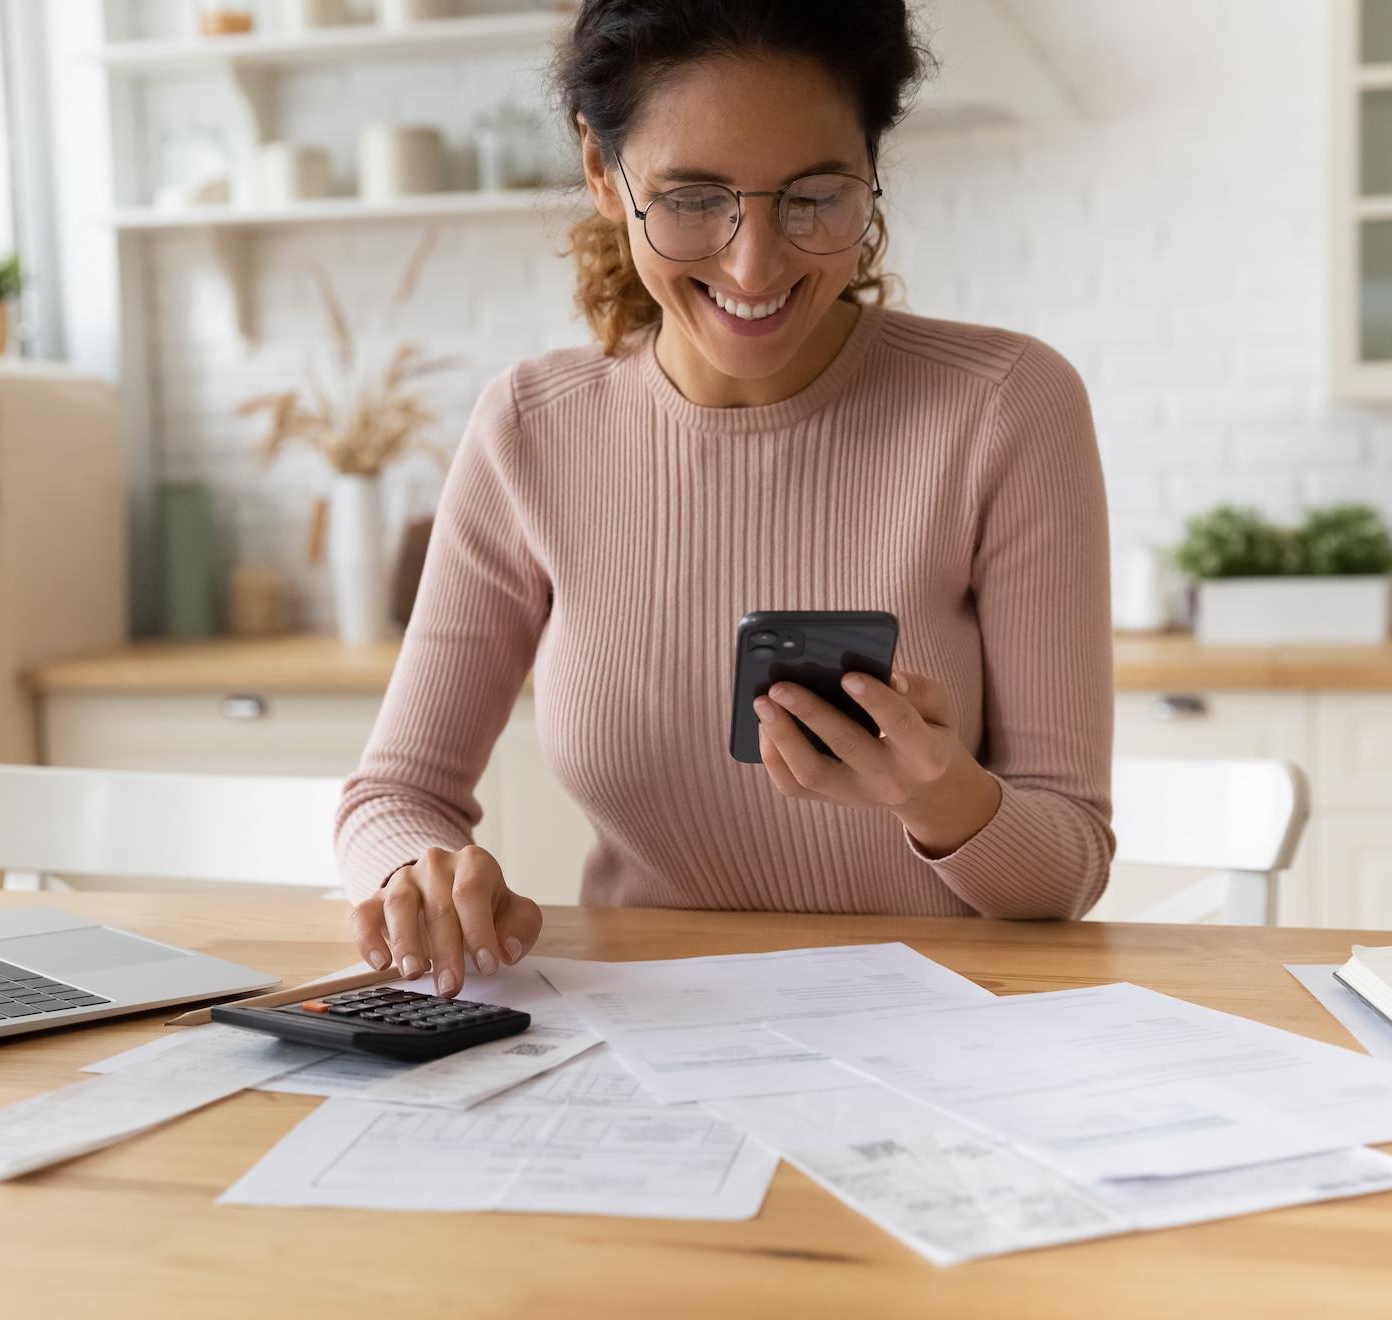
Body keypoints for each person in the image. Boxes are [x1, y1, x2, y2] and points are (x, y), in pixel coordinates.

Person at [337, 0, 1115, 998]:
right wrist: (417, 873)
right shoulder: (532, 428)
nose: (755, 264)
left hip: (945, 1030)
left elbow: (1069, 868)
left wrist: (944, 796)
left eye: (814, 196)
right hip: (645, 1036)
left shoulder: (1004, 406)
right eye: (693, 197)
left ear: (872, 167)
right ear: (600, 173)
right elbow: (394, 795)